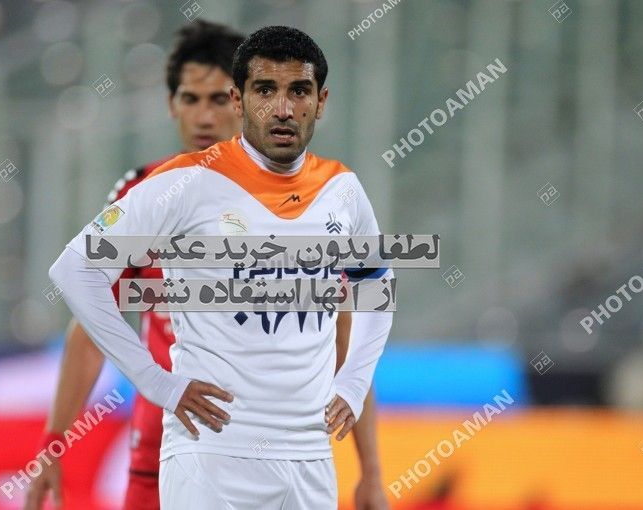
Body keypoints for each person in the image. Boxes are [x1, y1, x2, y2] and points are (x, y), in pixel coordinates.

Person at [32, 22, 390, 510]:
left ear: (319, 101)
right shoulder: (164, 187)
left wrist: (370, 463)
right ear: (242, 99)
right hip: (192, 436)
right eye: (265, 91)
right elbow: (81, 287)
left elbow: (348, 320)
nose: (282, 108)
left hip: (306, 452)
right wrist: (148, 385)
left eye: (297, 91)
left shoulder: (339, 189)